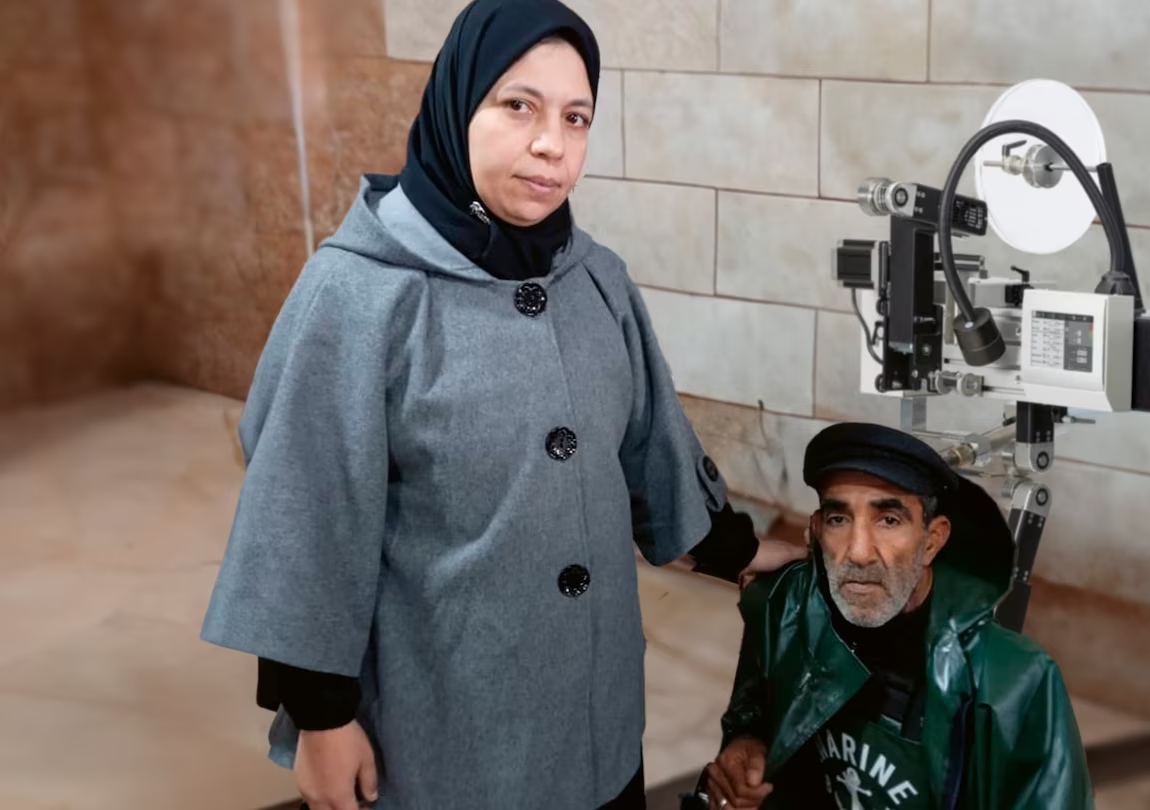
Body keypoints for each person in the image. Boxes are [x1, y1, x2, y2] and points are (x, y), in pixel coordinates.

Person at [198, 2, 804, 808]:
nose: (552, 143)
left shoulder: (596, 280)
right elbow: (305, 519)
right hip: (446, 737)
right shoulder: (359, 294)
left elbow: (647, 448)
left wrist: (738, 549)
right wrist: (321, 718)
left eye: (576, 117)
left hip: (593, 726)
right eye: (518, 105)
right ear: (459, 103)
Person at [700, 423, 1093, 809]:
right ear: (817, 531)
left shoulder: (1014, 684)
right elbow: (753, 707)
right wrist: (747, 742)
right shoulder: (787, 609)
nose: (858, 552)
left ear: (932, 541)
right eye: (839, 519)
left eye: (889, 520)